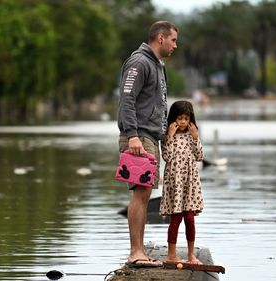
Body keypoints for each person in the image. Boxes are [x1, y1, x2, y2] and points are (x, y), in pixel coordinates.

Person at [117, 20, 178, 267]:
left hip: (149, 138)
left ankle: (140, 251)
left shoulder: (156, 65)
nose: (176, 45)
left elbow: (158, 106)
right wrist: (132, 135)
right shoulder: (140, 62)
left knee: (144, 194)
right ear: (160, 38)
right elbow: (127, 99)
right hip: (138, 138)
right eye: (173, 39)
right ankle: (136, 253)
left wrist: (165, 140)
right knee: (140, 195)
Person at [159, 100, 204, 265]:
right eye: (179, 118)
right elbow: (167, 157)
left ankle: (191, 255)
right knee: (175, 218)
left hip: (190, 184)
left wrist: (196, 138)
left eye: (186, 118)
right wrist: (169, 136)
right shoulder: (167, 137)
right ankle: (172, 254)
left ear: (191, 119)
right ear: (173, 119)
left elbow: (199, 156)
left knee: (190, 219)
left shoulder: (192, 135)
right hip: (175, 183)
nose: (183, 122)